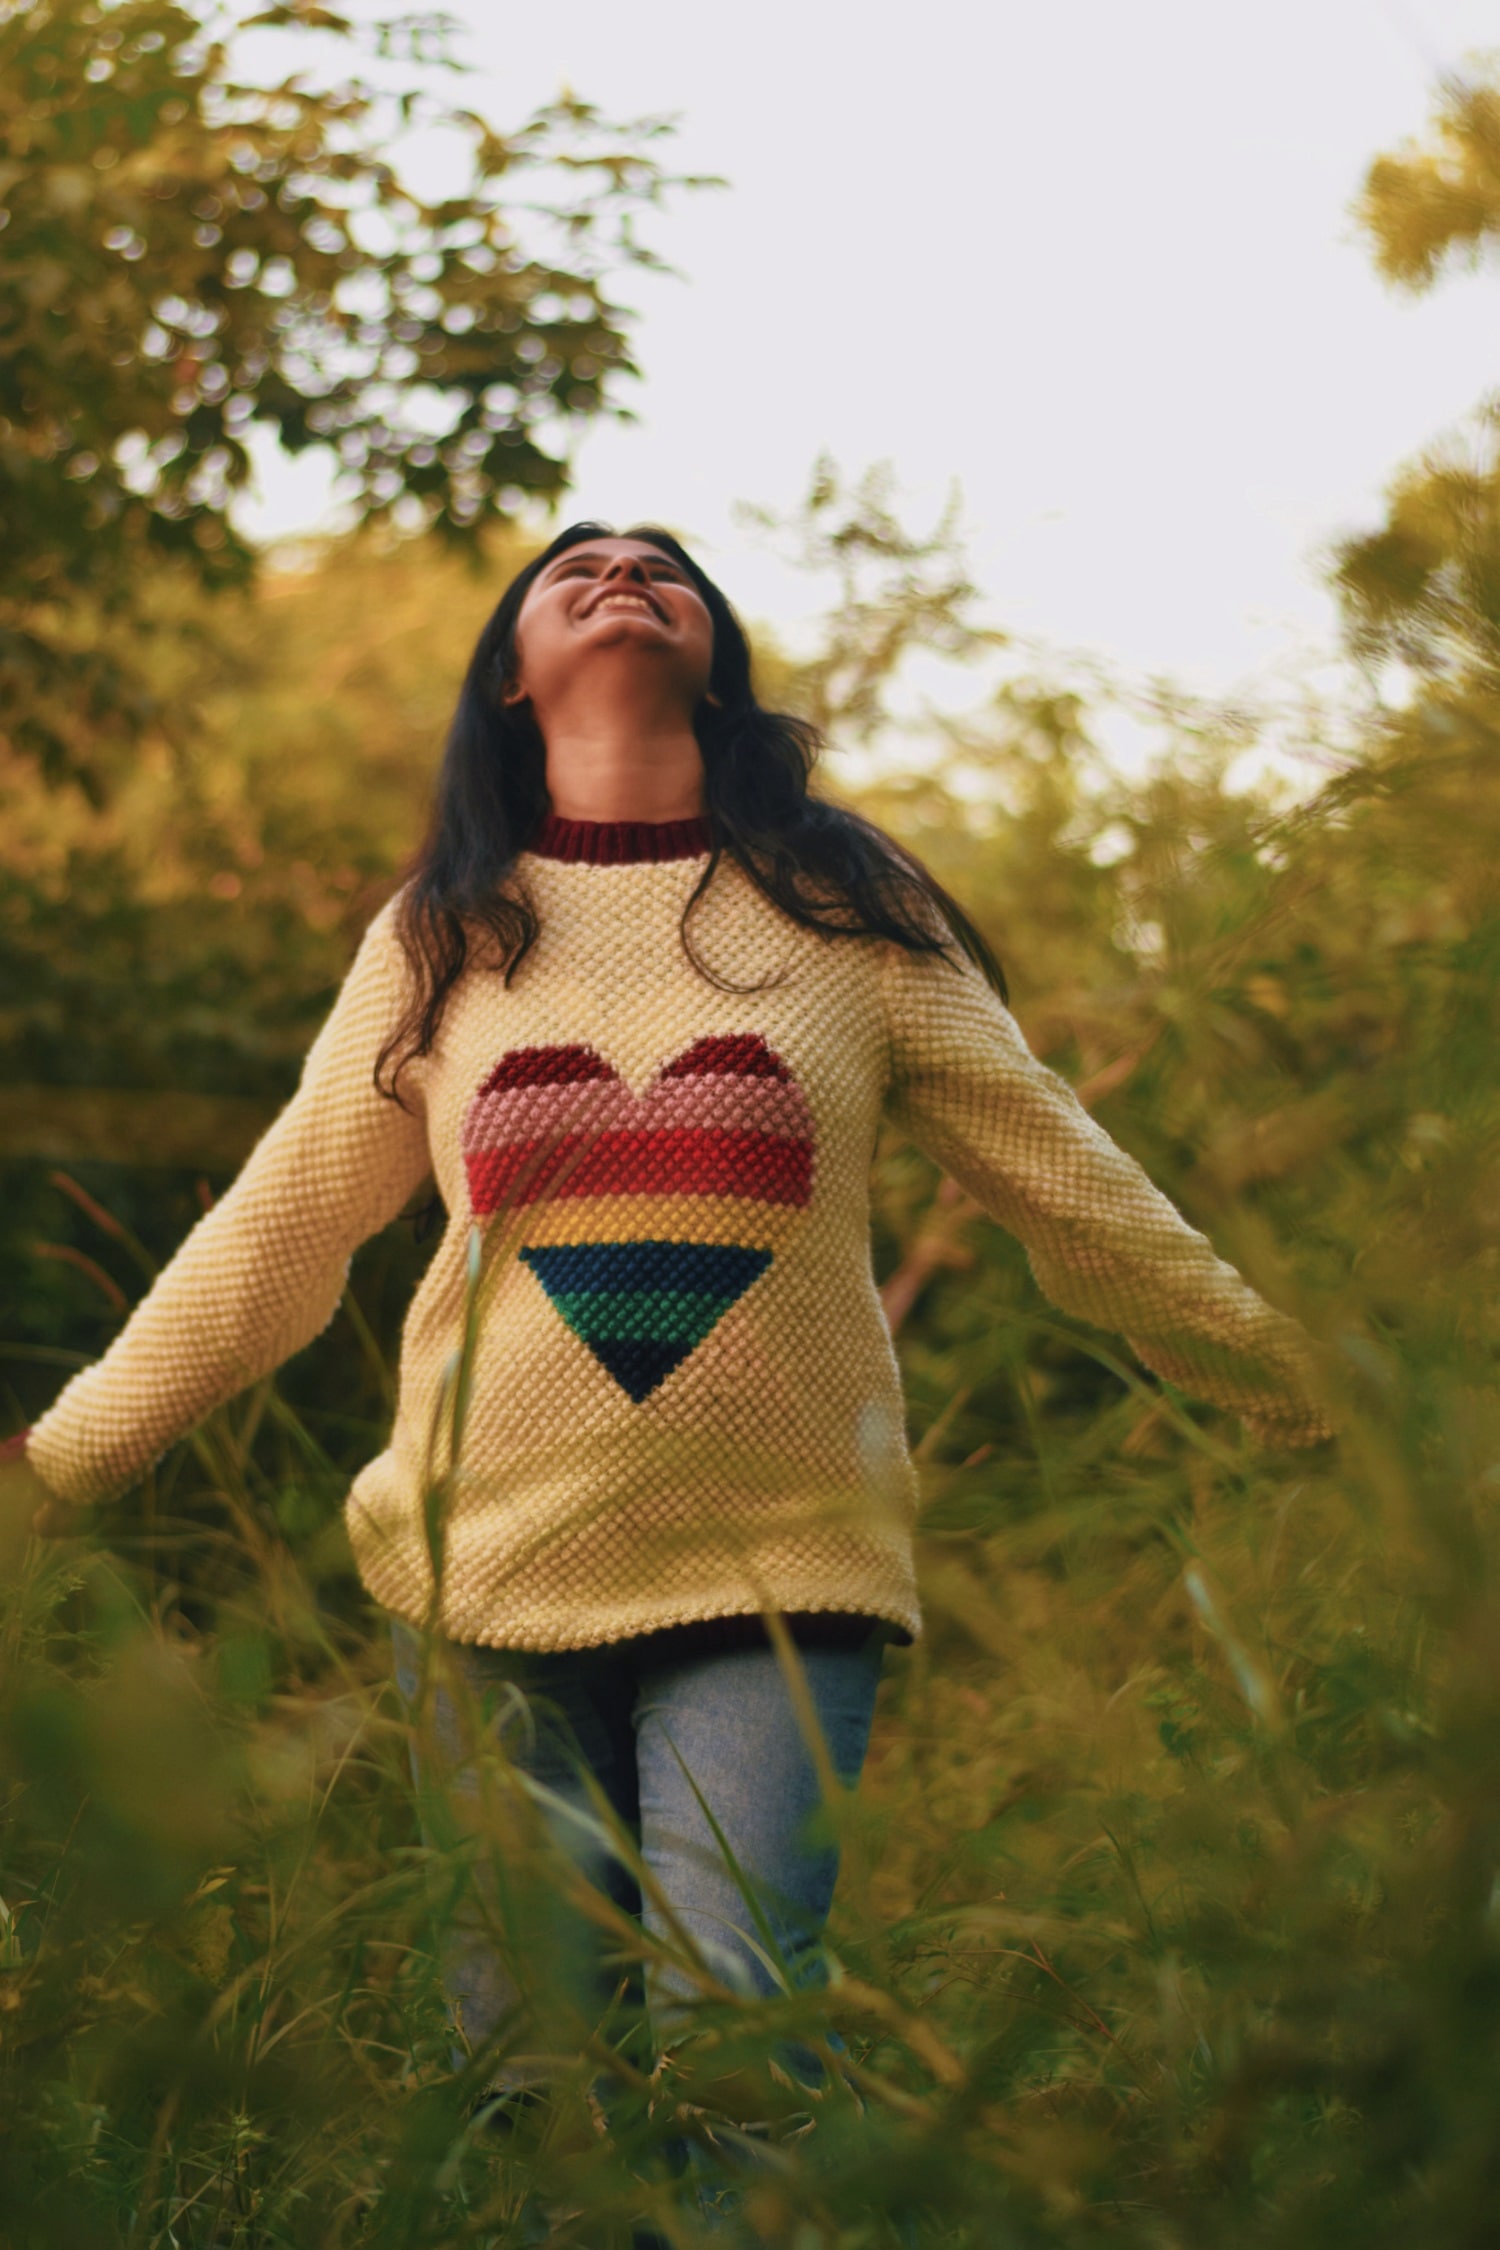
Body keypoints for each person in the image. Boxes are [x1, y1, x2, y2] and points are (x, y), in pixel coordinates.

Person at [2, 521, 1336, 2229]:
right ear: (511, 670)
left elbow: (1070, 1182)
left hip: (779, 1575)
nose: (625, 571)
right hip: (480, 1575)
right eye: (577, 566)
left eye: (664, 566)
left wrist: (1315, 1387)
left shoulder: (851, 911)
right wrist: (66, 1457)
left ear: (715, 650)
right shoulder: (444, 937)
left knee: (742, 2046)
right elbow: (276, 1231)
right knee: (526, 2082)